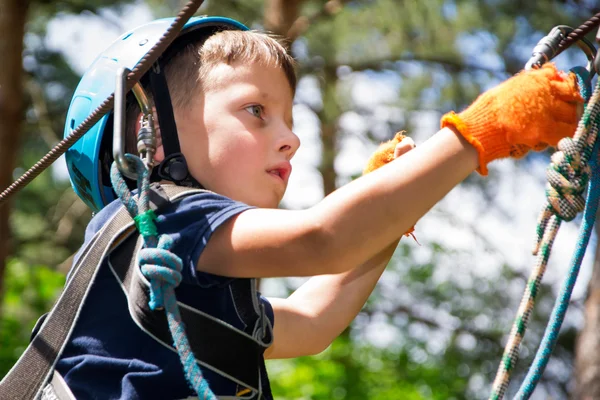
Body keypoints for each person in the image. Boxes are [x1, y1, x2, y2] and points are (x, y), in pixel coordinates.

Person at [56, 15, 583, 400]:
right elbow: (323, 240)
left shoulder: (201, 288)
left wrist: (387, 213)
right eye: (256, 111)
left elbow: (312, 321)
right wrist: (482, 133)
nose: (290, 139)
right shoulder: (163, 216)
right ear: (148, 135)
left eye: (288, 119)